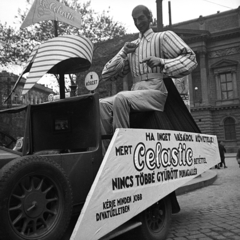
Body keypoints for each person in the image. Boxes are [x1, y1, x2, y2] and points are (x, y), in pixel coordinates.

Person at [99, 5, 197, 141]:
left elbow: (190, 58)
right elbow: (106, 74)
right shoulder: (131, 46)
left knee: (121, 98)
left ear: (150, 17)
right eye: (135, 20)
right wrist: (123, 52)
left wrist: (162, 62)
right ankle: (107, 151)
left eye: (141, 18)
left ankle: (122, 147)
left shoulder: (162, 37)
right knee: (101, 104)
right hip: (136, 91)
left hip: (156, 91)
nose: (138, 23)